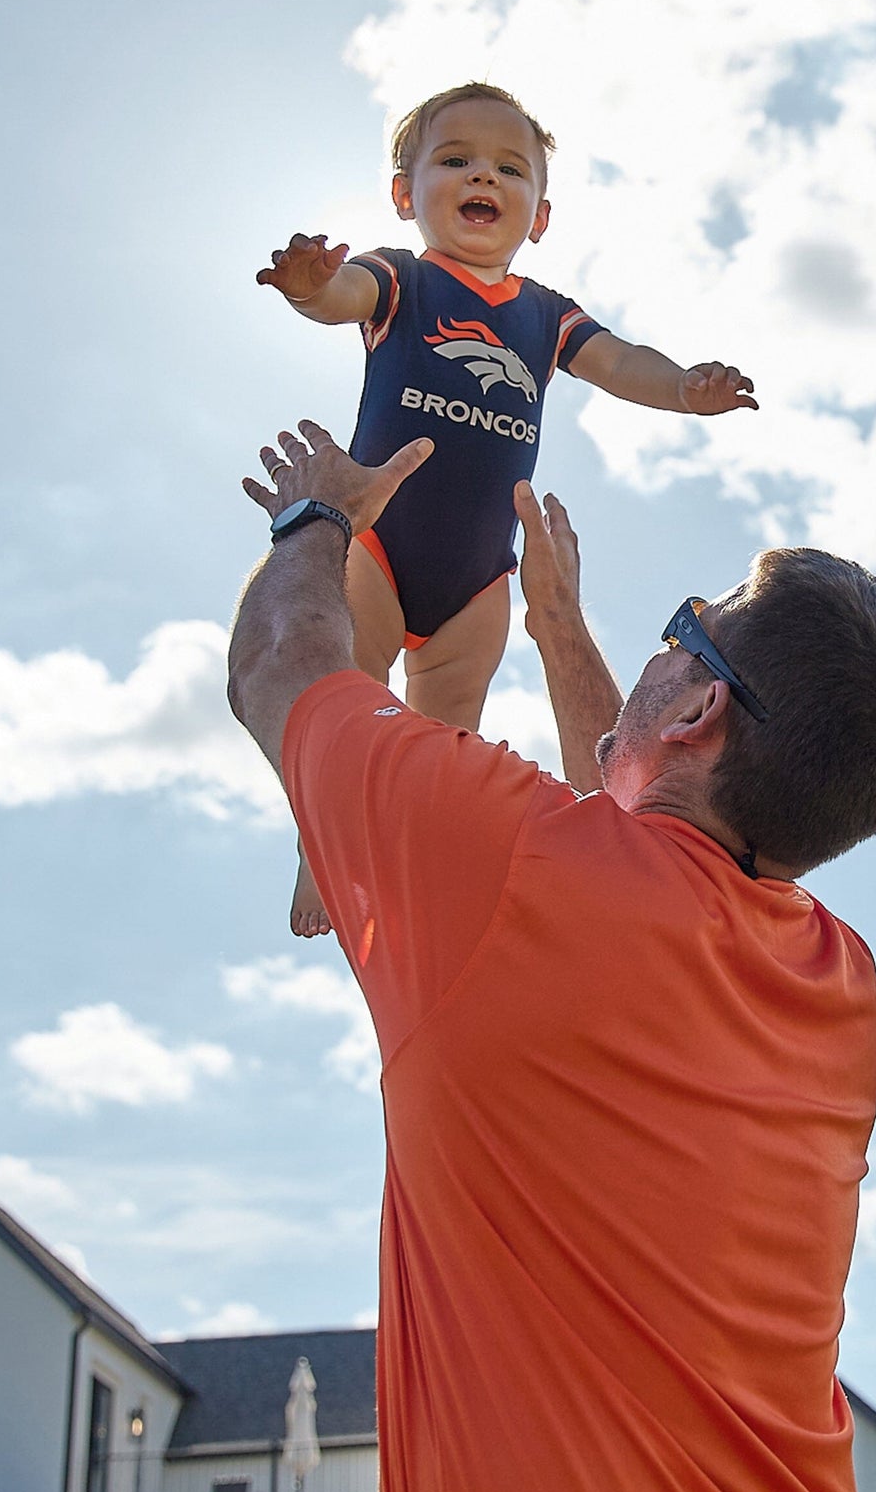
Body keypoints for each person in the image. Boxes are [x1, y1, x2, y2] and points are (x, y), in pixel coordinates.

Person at [227, 418, 876, 1492]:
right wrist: (561, 628)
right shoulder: (840, 983)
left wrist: (318, 515)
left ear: (701, 704)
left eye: (682, 629)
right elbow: (626, 852)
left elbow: (281, 667)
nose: (657, 652)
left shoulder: (511, 863)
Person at [256, 81, 758, 936]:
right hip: (377, 543)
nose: (481, 176)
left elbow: (621, 361)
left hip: (480, 574)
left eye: (507, 167)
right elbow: (342, 297)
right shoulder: (402, 278)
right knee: (347, 689)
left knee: (442, 737)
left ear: (541, 213)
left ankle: (407, 862)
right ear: (403, 193)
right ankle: (323, 846)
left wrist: (682, 388)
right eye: (454, 161)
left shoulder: (545, 316)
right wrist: (311, 287)